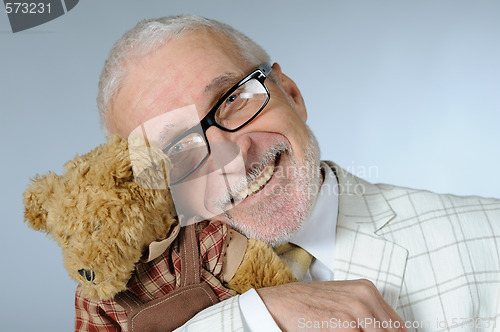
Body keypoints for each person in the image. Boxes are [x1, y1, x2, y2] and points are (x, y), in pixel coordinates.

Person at [83, 14, 500, 331]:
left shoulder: (492, 237)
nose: (231, 156)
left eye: (232, 99)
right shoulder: (135, 295)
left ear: (292, 94)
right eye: (175, 148)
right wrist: (256, 317)